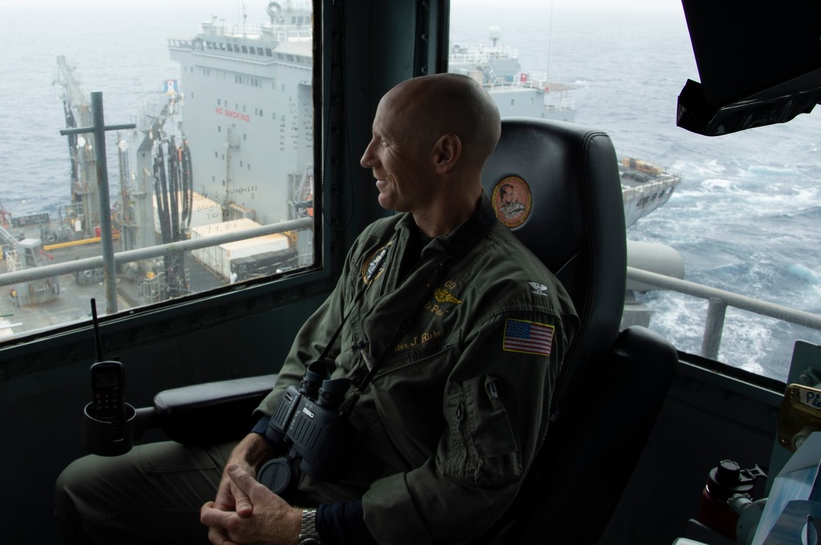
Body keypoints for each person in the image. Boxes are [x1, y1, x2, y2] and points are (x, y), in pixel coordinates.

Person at [55, 73, 579, 544]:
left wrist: (299, 529)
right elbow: (311, 354)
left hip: (368, 507)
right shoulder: (380, 244)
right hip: (299, 452)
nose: (366, 157)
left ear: (444, 155)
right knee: (86, 489)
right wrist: (250, 451)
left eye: (385, 142)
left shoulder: (513, 303)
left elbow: (471, 487)